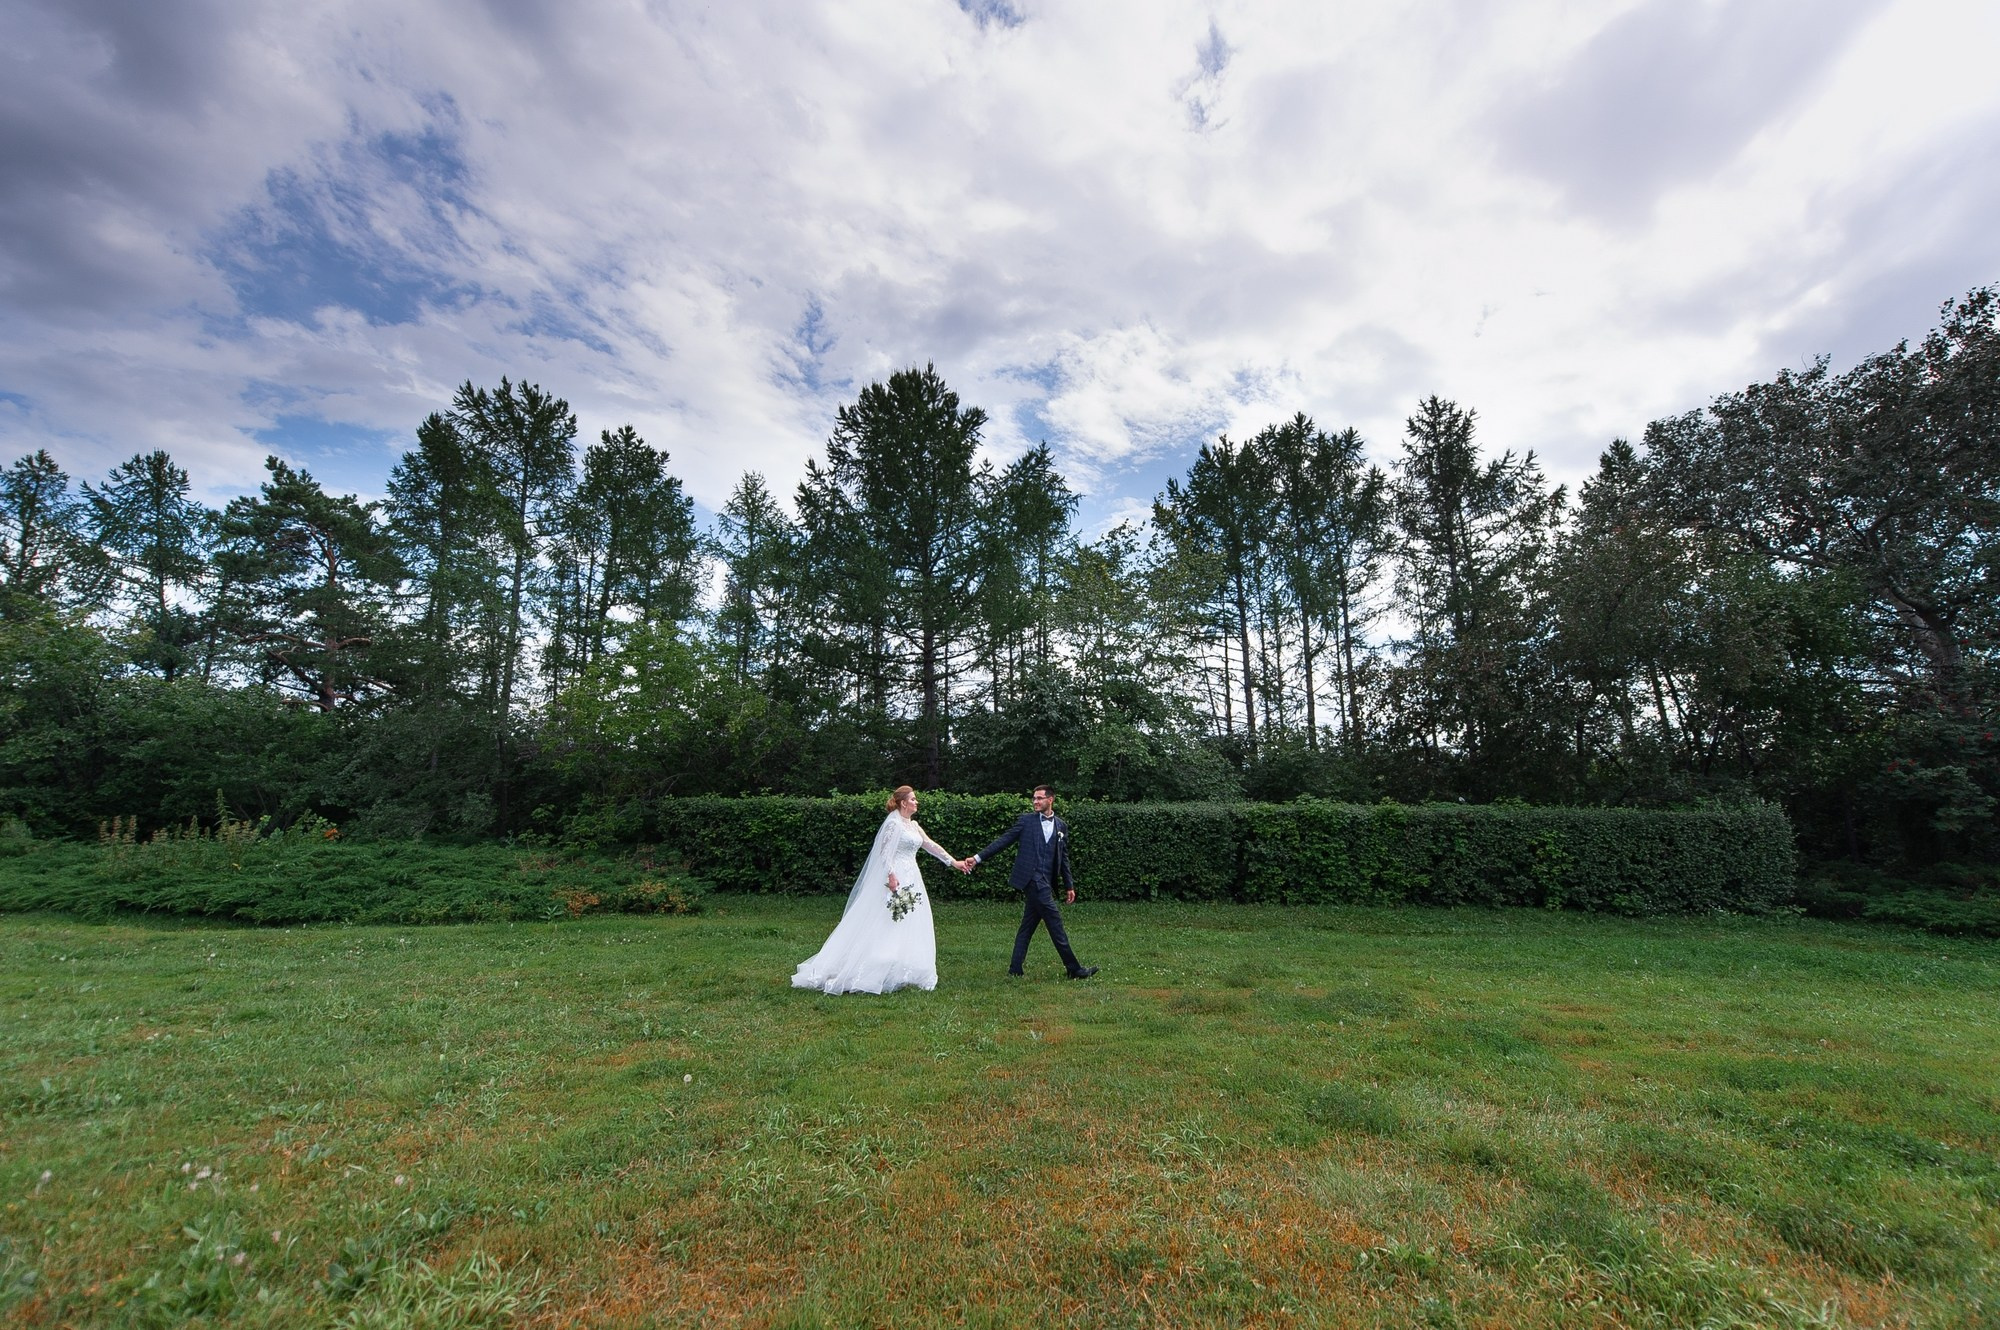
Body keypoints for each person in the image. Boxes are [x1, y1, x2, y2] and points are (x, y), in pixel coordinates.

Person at [792, 786, 967, 995]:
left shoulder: (913, 825)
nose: (916, 802)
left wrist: (953, 862)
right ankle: (874, 966)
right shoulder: (893, 824)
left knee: (911, 920)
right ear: (903, 803)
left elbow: (929, 845)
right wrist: (891, 875)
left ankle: (905, 968)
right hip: (897, 877)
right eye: (913, 799)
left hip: (913, 877)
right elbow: (884, 853)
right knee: (888, 920)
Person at [961, 784, 1098, 980]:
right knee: (1055, 922)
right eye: (1034, 798)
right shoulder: (1026, 821)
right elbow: (1004, 840)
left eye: (1039, 798)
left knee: (1028, 924)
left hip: (1046, 881)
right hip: (1031, 879)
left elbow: (1063, 858)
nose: (1035, 801)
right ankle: (1073, 969)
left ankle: (1015, 969)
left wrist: (1069, 885)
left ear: (1050, 800)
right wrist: (977, 858)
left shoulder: (1061, 826)